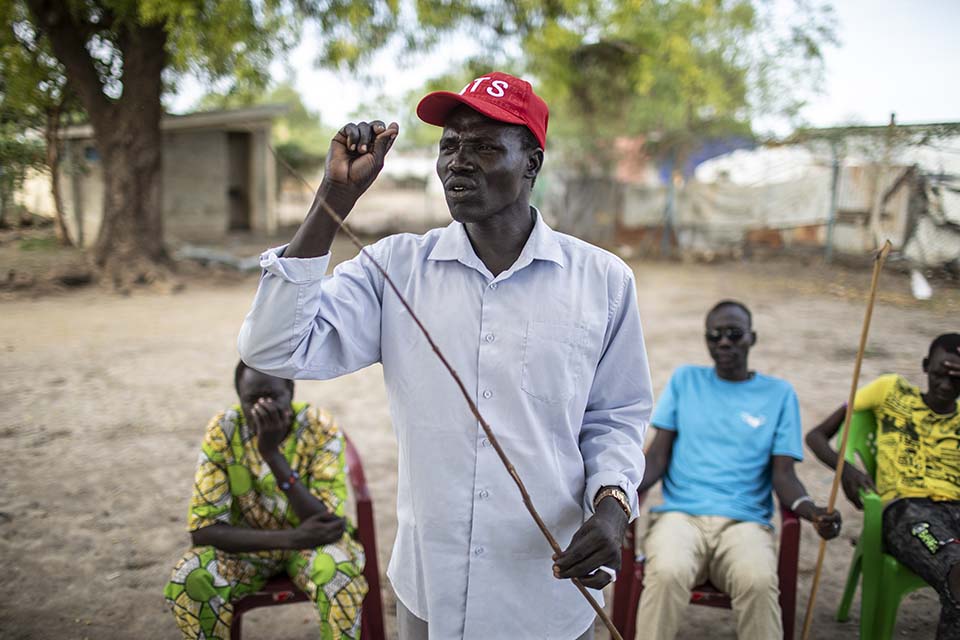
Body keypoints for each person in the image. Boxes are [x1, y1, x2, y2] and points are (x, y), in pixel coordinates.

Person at [237, 71, 653, 639]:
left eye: (484, 145)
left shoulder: (602, 280)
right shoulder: (395, 269)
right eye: (450, 145)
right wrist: (334, 200)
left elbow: (615, 417)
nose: (459, 161)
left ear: (531, 162)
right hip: (434, 585)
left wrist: (611, 507)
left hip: (548, 588)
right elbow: (276, 346)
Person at [635, 300, 841, 640]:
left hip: (744, 523)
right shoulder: (685, 381)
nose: (724, 343)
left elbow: (784, 475)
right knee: (667, 572)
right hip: (681, 517)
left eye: (734, 334)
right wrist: (616, 492)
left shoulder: (779, 395)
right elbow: (656, 458)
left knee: (759, 582)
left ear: (752, 338)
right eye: (715, 336)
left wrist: (812, 511)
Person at [164, 361, 367, 639]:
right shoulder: (224, 431)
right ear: (239, 398)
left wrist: (272, 455)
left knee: (337, 571)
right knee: (191, 577)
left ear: (291, 391)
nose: (263, 409)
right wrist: (292, 538)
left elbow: (326, 523)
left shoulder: (318, 426)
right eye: (252, 400)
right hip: (246, 551)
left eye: (273, 397)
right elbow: (203, 531)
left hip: (312, 550)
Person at [807, 333, 960, 639]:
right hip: (909, 511)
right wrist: (848, 471)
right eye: (940, 374)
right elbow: (816, 436)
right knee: (958, 572)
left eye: (957, 379)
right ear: (926, 365)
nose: (946, 385)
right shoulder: (891, 391)